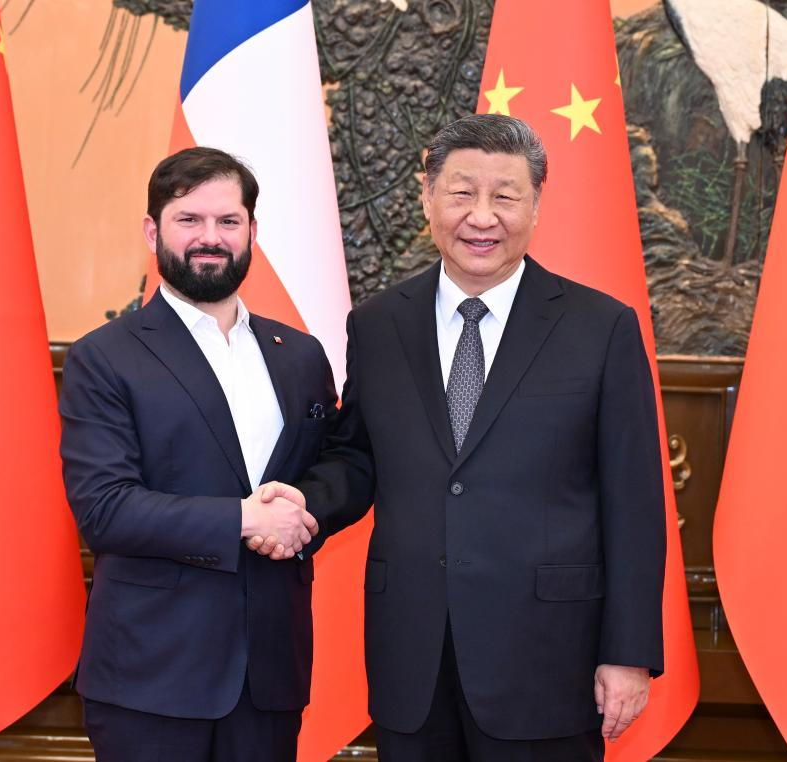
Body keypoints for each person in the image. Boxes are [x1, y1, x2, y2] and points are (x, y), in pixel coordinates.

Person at [253, 114, 666, 761]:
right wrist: (306, 505)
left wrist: (630, 654)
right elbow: (359, 457)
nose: (482, 216)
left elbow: (635, 502)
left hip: (548, 659)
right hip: (412, 658)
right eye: (461, 192)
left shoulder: (601, 328)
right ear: (428, 198)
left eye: (505, 195)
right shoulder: (379, 324)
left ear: (535, 205)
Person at [59, 147, 336, 762]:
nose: (210, 238)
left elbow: (338, 465)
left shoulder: (301, 356)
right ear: (153, 231)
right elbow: (104, 509)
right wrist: (246, 519)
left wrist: (304, 508)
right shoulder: (104, 358)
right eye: (190, 220)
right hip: (150, 680)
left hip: (269, 679)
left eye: (228, 222)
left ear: (252, 233)